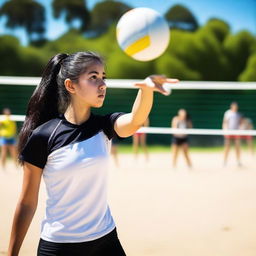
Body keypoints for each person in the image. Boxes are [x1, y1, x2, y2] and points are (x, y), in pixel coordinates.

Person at [7, 51, 178, 256]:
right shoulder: (44, 136)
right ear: (71, 86)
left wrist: (147, 90)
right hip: (59, 246)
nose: (102, 84)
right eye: (93, 77)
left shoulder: (104, 126)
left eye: (103, 77)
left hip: (105, 241)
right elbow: (27, 203)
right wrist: (11, 253)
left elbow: (135, 120)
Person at [222, 102, 242, 166]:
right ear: (231, 106)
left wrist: (239, 131)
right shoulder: (228, 113)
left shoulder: (238, 114)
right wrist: (225, 131)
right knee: (227, 147)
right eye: (234, 106)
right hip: (229, 132)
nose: (235, 107)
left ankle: (238, 161)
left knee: (237, 147)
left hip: (236, 133)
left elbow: (240, 124)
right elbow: (225, 122)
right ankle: (224, 161)